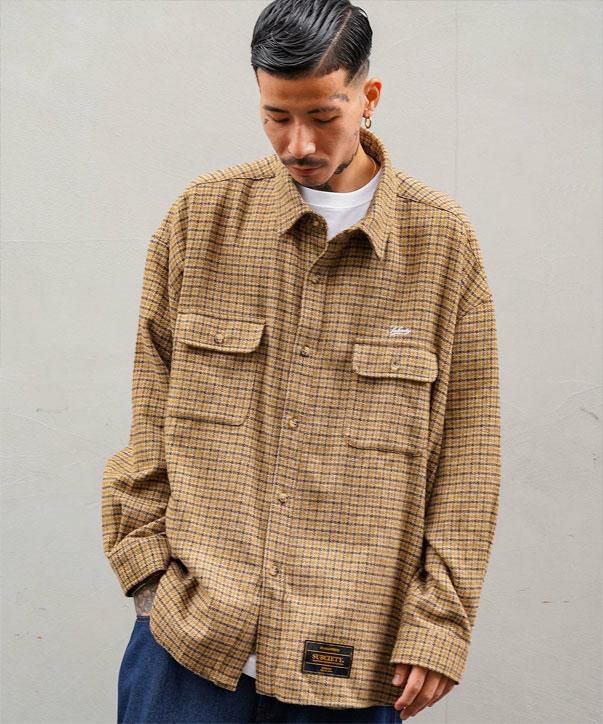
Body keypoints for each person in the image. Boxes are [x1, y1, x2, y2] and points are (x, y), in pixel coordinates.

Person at [101, 0, 502, 722]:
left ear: (367, 97)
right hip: (188, 644)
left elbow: (469, 452)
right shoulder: (201, 219)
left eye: (321, 115)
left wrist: (439, 624)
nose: (298, 143)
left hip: (351, 653)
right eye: (275, 116)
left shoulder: (441, 244)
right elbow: (149, 409)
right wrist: (147, 575)